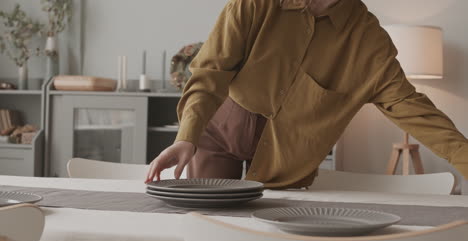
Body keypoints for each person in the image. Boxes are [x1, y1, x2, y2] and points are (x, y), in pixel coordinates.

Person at [146, 0, 468, 189]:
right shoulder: (255, 4)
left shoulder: (368, 41)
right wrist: (186, 136)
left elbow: (414, 109)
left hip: (288, 163)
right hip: (217, 136)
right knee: (213, 233)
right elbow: (209, 72)